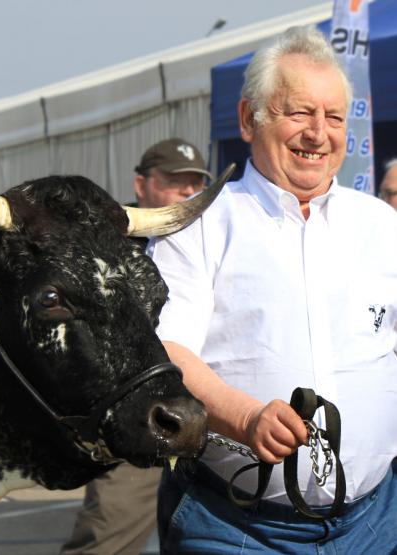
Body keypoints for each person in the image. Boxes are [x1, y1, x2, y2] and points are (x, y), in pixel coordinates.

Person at [151, 26, 397, 553]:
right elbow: (168, 351)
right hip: (237, 527)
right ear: (248, 119)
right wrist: (245, 417)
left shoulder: (381, 226)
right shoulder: (201, 225)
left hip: (374, 523)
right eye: (299, 113)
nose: (318, 133)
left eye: (333, 117)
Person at [62, 138, 211, 555]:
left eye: (194, 183)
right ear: (141, 184)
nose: (187, 193)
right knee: (109, 535)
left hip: (212, 420)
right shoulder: (102, 244)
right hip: (136, 424)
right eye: (174, 182)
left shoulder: (213, 238)